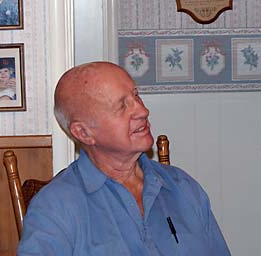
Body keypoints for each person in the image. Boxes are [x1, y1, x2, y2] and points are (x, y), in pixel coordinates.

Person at [18, 62, 231, 255]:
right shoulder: (55, 208)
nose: (143, 110)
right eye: (122, 106)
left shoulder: (182, 187)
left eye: (136, 96)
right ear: (84, 133)